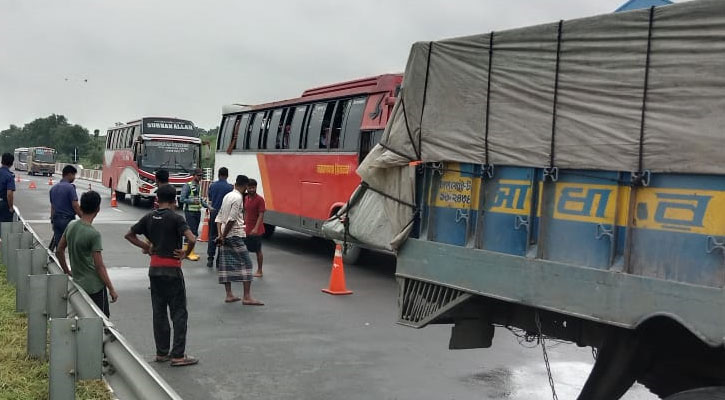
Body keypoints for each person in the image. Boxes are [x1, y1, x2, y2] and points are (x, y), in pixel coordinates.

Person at [124, 184, 198, 367]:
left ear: (158, 199)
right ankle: (178, 355)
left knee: (159, 313)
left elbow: (129, 235)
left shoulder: (149, 217)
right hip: (172, 270)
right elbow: (192, 238)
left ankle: (161, 353)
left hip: (154, 270)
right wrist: (186, 252)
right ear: (175, 200)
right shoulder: (176, 218)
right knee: (179, 313)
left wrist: (147, 247)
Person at [56, 191, 118, 317]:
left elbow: (59, 250)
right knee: (101, 322)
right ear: (98, 209)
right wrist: (111, 288)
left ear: (81, 206)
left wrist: (67, 270)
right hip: (95, 287)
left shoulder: (71, 226)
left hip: (78, 283)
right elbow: (99, 266)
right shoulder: (93, 234)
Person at [215, 175, 263, 305]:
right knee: (247, 264)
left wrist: (220, 235)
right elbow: (232, 219)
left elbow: (219, 217)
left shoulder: (227, 196)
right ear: (245, 186)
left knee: (225, 264)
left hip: (225, 235)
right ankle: (246, 297)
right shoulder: (237, 198)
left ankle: (229, 294)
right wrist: (223, 236)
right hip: (234, 235)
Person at [49, 165, 82, 250]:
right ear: (69, 174)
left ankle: (58, 262)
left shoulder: (53, 189)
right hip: (67, 220)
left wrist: (52, 220)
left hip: (56, 219)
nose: (74, 178)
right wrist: (83, 217)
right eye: (74, 175)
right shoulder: (70, 188)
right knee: (72, 245)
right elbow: (75, 205)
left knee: (59, 245)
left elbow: (52, 207)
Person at [206, 167, 233, 268]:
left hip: (214, 212)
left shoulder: (212, 186)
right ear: (227, 175)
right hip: (224, 214)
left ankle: (210, 258)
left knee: (212, 235)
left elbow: (210, 198)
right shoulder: (230, 188)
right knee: (222, 236)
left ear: (218, 174)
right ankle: (219, 260)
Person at [179, 168, 207, 261]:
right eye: (198, 175)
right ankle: (188, 253)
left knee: (194, 233)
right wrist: (191, 201)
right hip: (189, 211)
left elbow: (199, 199)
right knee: (191, 232)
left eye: (201, 176)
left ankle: (190, 252)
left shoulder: (198, 186)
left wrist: (207, 206)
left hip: (197, 212)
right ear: (194, 175)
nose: (200, 177)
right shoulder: (188, 186)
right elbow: (182, 199)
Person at [244, 179, 266, 277]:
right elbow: (245, 212)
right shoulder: (246, 198)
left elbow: (261, 215)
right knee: (245, 249)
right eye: (250, 187)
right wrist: (243, 223)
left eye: (254, 187)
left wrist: (256, 228)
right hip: (247, 228)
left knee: (258, 250)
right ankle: (246, 268)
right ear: (247, 188)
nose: (252, 189)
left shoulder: (260, 199)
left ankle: (260, 270)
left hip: (257, 229)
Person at [0, 153, 16, 223]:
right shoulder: (9, 176)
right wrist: (11, 207)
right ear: (11, 163)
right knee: (5, 227)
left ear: (1, 161)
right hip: (3, 205)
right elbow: (9, 194)